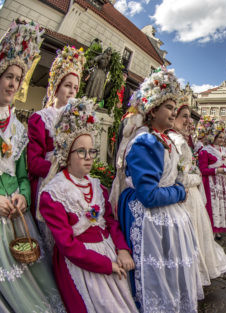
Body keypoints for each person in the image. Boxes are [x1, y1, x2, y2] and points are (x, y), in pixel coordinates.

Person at [39, 98, 138, 313]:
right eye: (81, 151)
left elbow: (110, 222)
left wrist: (122, 249)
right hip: (82, 265)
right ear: (66, 153)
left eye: (92, 151)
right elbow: (67, 245)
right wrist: (105, 265)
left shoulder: (97, 186)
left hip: (111, 256)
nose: (89, 157)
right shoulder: (54, 194)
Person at [117, 68, 203, 311]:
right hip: (149, 219)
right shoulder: (145, 141)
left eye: (175, 108)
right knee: (154, 273)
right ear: (153, 110)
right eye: (169, 107)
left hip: (165, 216)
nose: (174, 112)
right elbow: (149, 195)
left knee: (169, 270)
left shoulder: (161, 139)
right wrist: (180, 192)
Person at [0, 20, 65, 313]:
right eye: (8, 76)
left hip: (17, 211)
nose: (13, 83)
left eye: (18, 78)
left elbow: (23, 173)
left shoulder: (18, 127)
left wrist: (24, 195)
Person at [168, 103, 226, 286]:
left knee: (197, 234)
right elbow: (178, 176)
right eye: (184, 116)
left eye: (190, 117)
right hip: (186, 194)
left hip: (192, 194)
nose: (189, 121)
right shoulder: (175, 141)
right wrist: (197, 177)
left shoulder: (181, 140)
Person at [28, 46, 85, 221]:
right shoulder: (41, 118)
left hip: (72, 182)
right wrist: (59, 168)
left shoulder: (79, 120)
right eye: (67, 86)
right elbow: (33, 161)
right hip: (48, 182)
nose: (72, 92)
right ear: (56, 87)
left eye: (75, 88)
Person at [199, 119, 226, 238]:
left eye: (223, 137)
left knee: (223, 205)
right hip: (211, 183)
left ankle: (219, 229)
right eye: (219, 137)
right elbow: (202, 170)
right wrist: (217, 170)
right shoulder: (205, 151)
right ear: (213, 137)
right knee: (213, 206)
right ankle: (211, 229)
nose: (222, 139)